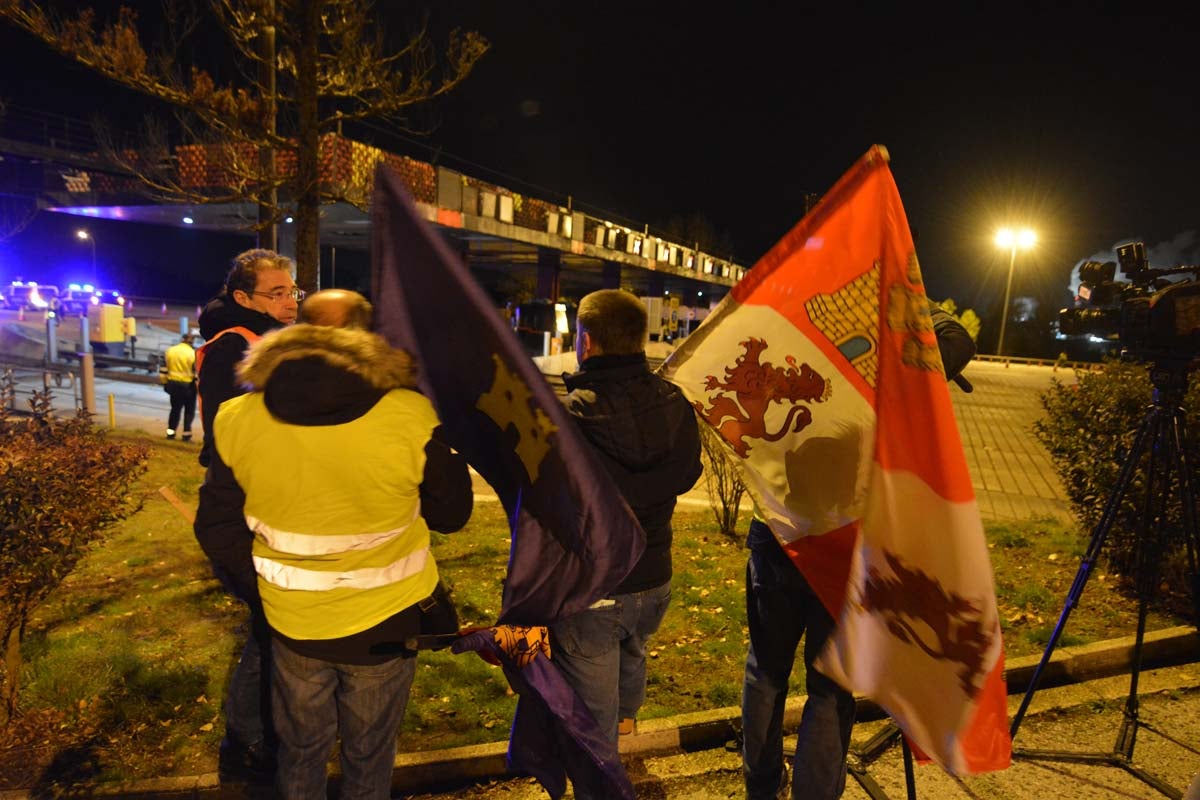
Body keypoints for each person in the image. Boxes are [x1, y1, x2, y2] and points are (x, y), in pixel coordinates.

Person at [193, 289, 472, 799]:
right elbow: (453, 515)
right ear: (364, 337)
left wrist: (262, 594)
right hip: (386, 622)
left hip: (292, 623)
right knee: (369, 756)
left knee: (300, 752)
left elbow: (216, 525)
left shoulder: (238, 416)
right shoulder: (409, 412)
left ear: (301, 329)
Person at [740, 302, 976, 800]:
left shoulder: (791, 322)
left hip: (779, 528)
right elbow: (954, 341)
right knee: (831, 682)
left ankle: (760, 787)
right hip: (844, 541)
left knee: (765, 670)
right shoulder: (888, 359)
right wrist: (902, 301)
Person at [552, 288, 703, 799]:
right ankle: (625, 727)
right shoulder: (675, 403)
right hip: (654, 576)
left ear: (586, 341)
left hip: (598, 585)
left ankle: (604, 781)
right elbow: (687, 473)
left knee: (591, 728)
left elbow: (552, 499)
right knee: (632, 648)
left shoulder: (570, 417)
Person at [194, 247, 300, 780]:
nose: (289, 302)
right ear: (243, 298)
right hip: (242, 501)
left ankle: (257, 733)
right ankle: (246, 738)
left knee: (273, 625)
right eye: (276, 293)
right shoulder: (232, 346)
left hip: (268, 495)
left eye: (292, 292)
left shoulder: (268, 339)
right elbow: (224, 433)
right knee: (269, 625)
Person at [162, 332, 197, 441]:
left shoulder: (170, 351)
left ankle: (170, 433)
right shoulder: (193, 353)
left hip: (173, 384)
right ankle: (186, 435)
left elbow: (163, 371)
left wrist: (165, 384)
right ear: (191, 342)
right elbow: (196, 374)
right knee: (189, 411)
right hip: (188, 387)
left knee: (175, 410)